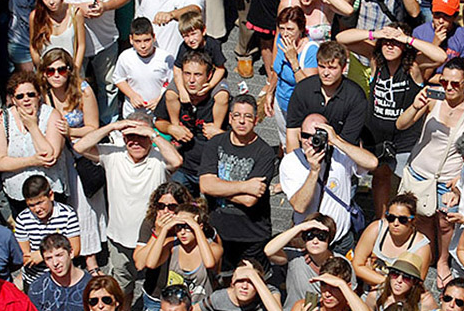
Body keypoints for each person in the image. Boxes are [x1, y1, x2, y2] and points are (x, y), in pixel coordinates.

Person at [397, 57, 464, 288]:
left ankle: (443, 260)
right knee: (423, 219)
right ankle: (426, 257)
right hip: (420, 171)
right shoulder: (432, 99)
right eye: (444, 81)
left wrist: (463, 176)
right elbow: (401, 124)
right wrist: (415, 106)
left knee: (446, 222)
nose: (448, 88)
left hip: (450, 177)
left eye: (455, 83)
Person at [335, 24, 446, 214]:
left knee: (406, 181)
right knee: (380, 176)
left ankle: (405, 222)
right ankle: (381, 221)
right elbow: (341, 38)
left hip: (405, 134)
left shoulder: (414, 65)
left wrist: (407, 39)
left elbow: (441, 57)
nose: (390, 46)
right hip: (376, 131)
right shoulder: (376, 59)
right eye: (386, 42)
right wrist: (375, 33)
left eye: (395, 43)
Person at [73, 113, 182, 303]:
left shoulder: (159, 159)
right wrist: (114, 126)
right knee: (122, 290)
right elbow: (79, 146)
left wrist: (152, 133)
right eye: (130, 136)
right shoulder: (112, 154)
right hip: (119, 239)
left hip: (154, 239)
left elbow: (177, 161)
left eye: (141, 136)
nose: (136, 142)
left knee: (158, 290)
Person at [37, 48, 105, 273]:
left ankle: (90, 260)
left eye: (61, 69)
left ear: (69, 70)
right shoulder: (42, 94)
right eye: (51, 70)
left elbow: (94, 127)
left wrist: (70, 131)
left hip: (80, 154)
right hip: (56, 155)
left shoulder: (83, 90)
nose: (56, 74)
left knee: (83, 207)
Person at [199, 94, 278, 273]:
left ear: (256, 120)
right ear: (230, 118)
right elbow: (205, 186)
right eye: (237, 116)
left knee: (252, 284)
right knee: (220, 282)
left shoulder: (265, 152)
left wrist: (218, 187)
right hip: (217, 230)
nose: (242, 121)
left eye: (248, 116)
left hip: (251, 235)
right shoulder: (215, 144)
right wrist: (245, 186)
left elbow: (250, 200)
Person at [280, 114, 378, 252]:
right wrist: (314, 171)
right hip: (308, 241)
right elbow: (299, 206)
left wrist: (337, 140)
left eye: (317, 136)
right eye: (305, 135)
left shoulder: (340, 154)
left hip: (339, 241)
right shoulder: (291, 162)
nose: (310, 141)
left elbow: (372, 163)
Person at [0, 71, 67, 217]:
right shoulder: (2, 119)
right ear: (13, 99)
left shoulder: (51, 115)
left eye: (31, 94)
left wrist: (32, 126)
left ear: (38, 95)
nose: (26, 99)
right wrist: (32, 160)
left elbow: (50, 156)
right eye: (20, 96)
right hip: (18, 195)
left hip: (49, 192)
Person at [156, 49, 230, 193]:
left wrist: (220, 133)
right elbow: (159, 122)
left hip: (212, 170)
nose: (191, 80)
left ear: (209, 76)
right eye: (187, 74)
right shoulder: (174, 95)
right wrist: (172, 128)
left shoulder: (221, 99)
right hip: (182, 166)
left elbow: (241, 136)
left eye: (197, 75)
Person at [285, 42, 368, 151]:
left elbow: (349, 141)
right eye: (322, 66)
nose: (326, 73)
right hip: (306, 151)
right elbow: (293, 132)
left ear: (343, 68)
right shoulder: (303, 89)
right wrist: (295, 163)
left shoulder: (355, 97)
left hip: (341, 155)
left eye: (332, 68)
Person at [353, 194, 433, 291]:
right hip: (368, 292)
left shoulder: (421, 248)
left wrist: (372, 276)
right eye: (391, 218)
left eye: (402, 220)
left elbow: (415, 285)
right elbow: (357, 265)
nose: (395, 223)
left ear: (413, 220)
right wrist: (391, 282)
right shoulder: (376, 229)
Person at [14, 175, 80, 287]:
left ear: (50, 195)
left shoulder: (67, 214)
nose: (37, 209)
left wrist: (42, 255)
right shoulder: (22, 219)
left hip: (64, 276)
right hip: (35, 280)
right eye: (31, 205)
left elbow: (75, 249)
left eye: (40, 202)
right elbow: (25, 256)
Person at [29, 0, 87, 71]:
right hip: (47, 72)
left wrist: (75, 71)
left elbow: (81, 45)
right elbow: (33, 46)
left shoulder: (75, 13)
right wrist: (41, 70)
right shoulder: (35, 16)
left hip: (70, 70)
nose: (51, 2)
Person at [364, 253, 438, 311]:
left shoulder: (424, 302)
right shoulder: (376, 294)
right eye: (395, 274)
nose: (399, 280)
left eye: (407, 277)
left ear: (414, 282)